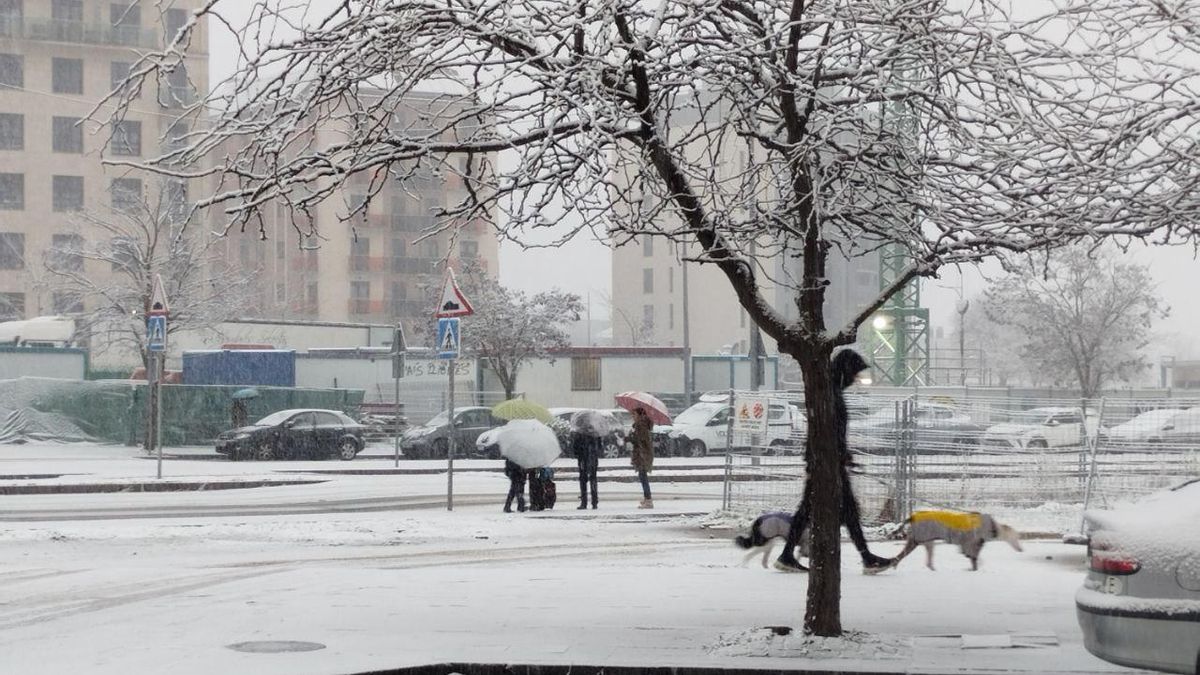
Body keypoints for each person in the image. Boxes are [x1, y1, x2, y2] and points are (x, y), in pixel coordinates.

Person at [775, 348, 894, 574]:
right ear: (845, 371)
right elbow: (824, 433)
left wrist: (842, 456)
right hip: (827, 466)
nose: (855, 380)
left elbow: (828, 433)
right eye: (854, 374)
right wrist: (831, 459)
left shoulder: (829, 392)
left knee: (816, 511)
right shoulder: (830, 395)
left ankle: (788, 554)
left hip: (827, 464)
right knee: (840, 511)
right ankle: (866, 558)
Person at [630, 407, 655, 508]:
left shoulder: (641, 425)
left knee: (643, 476)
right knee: (642, 476)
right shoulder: (641, 425)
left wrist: (631, 437)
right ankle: (647, 498)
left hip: (642, 454)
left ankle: (648, 500)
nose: (633, 417)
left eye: (634, 415)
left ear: (640, 415)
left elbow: (641, 440)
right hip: (643, 454)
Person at [572, 430, 600, 509]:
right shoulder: (595, 432)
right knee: (593, 480)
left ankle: (584, 502)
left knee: (583, 481)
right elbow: (600, 447)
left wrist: (578, 453)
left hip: (583, 460)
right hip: (593, 459)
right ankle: (594, 502)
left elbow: (575, 448)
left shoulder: (579, 433)